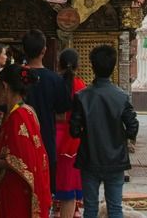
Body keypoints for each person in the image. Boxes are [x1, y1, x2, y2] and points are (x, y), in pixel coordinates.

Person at [69, 45, 139, 218]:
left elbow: (74, 130)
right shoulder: (121, 96)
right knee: (115, 208)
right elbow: (132, 126)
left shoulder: (82, 96)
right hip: (115, 159)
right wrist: (122, 137)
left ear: (92, 66)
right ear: (113, 66)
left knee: (91, 208)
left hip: (90, 158)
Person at [0, 65, 52, 218]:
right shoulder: (28, 111)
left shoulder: (17, 117)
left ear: (5, 86)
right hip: (21, 187)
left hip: (16, 189)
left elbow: (19, 159)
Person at [21, 29, 69, 195]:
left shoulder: (17, 77)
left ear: (24, 50)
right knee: (44, 192)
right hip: (46, 141)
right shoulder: (55, 80)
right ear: (44, 50)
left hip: (21, 141)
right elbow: (62, 115)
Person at [54, 48, 85, 218]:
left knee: (56, 182)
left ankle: (57, 211)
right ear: (77, 65)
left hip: (53, 137)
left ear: (59, 64)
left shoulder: (55, 83)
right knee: (69, 187)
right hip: (73, 140)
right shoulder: (80, 85)